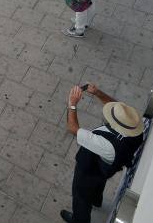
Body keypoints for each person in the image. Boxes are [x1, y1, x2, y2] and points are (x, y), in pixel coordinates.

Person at [61, 84, 144, 223]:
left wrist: (72, 104)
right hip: (106, 167)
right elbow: (117, 108)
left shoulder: (107, 145)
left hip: (90, 170)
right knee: (99, 182)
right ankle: (96, 199)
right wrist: (98, 93)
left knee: (80, 194)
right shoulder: (135, 130)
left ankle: (79, 220)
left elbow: (73, 128)